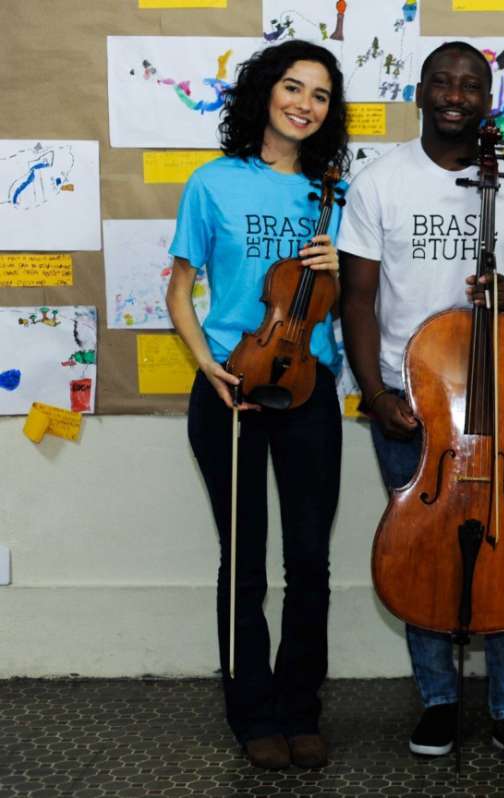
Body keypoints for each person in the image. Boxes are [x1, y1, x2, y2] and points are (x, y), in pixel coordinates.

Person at [337, 41, 504, 766]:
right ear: (421, 92)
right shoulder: (379, 181)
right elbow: (357, 299)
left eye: (471, 85)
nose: (456, 95)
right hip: (412, 397)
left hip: (496, 400)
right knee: (420, 549)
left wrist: (503, 296)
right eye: (443, 82)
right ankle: (436, 702)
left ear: (488, 99)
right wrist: (374, 393)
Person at [165, 39, 350, 770]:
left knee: (310, 560)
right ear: (265, 94)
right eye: (294, 88)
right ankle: (252, 714)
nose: (306, 104)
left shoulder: (332, 192)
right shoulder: (212, 184)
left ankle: (302, 708)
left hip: (310, 388)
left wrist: (340, 260)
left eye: (322, 95)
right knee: (243, 561)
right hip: (232, 387)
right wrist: (206, 364)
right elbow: (179, 290)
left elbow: (349, 296)